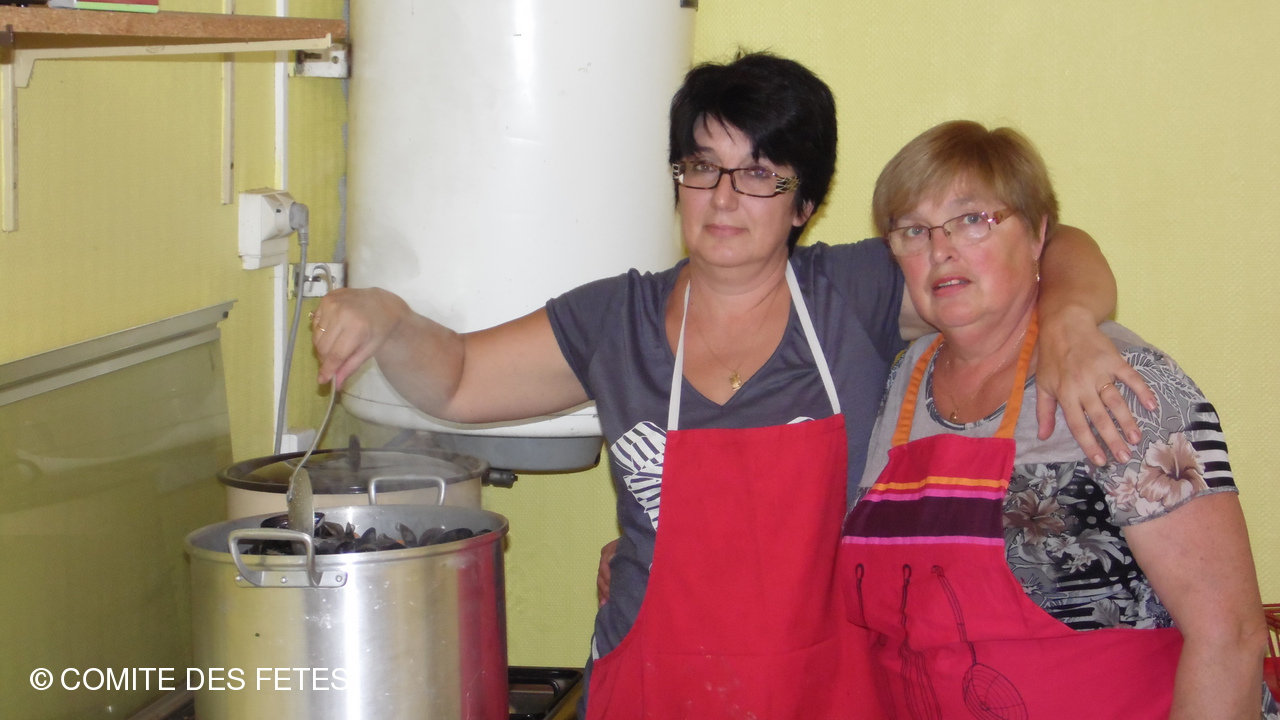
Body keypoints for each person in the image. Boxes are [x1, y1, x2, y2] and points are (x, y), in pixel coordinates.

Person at [312, 54, 1143, 719]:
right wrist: (389, 317)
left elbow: (1049, 244)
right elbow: (456, 379)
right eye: (703, 168)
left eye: (760, 174)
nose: (723, 198)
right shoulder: (617, 320)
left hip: (823, 690)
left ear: (803, 204)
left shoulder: (852, 296)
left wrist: (1072, 322)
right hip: (654, 685)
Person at [839, 120, 1273, 719]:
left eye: (973, 219)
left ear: (1039, 234)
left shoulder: (1119, 380)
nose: (941, 250)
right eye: (914, 230)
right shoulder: (898, 381)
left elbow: (1230, 636)